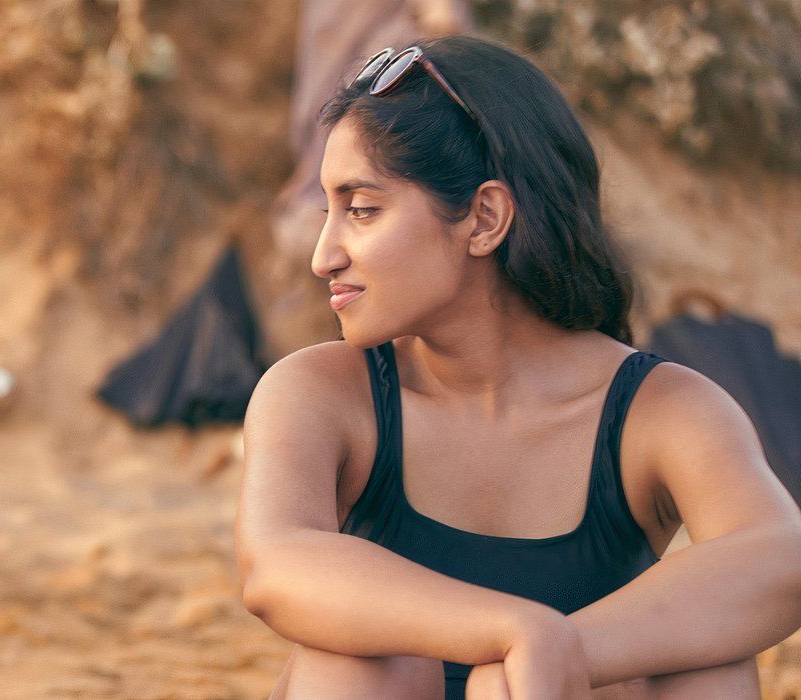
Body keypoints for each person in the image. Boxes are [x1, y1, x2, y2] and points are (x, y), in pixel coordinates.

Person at [236, 35, 801, 699]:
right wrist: (514, 631)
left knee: (709, 661)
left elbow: (778, 557)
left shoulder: (658, 409)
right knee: (357, 662)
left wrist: (564, 655)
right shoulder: (323, 392)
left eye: (361, 210)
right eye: (330, 212)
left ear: (484, 218)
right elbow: (276, 566)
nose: (323, 255)